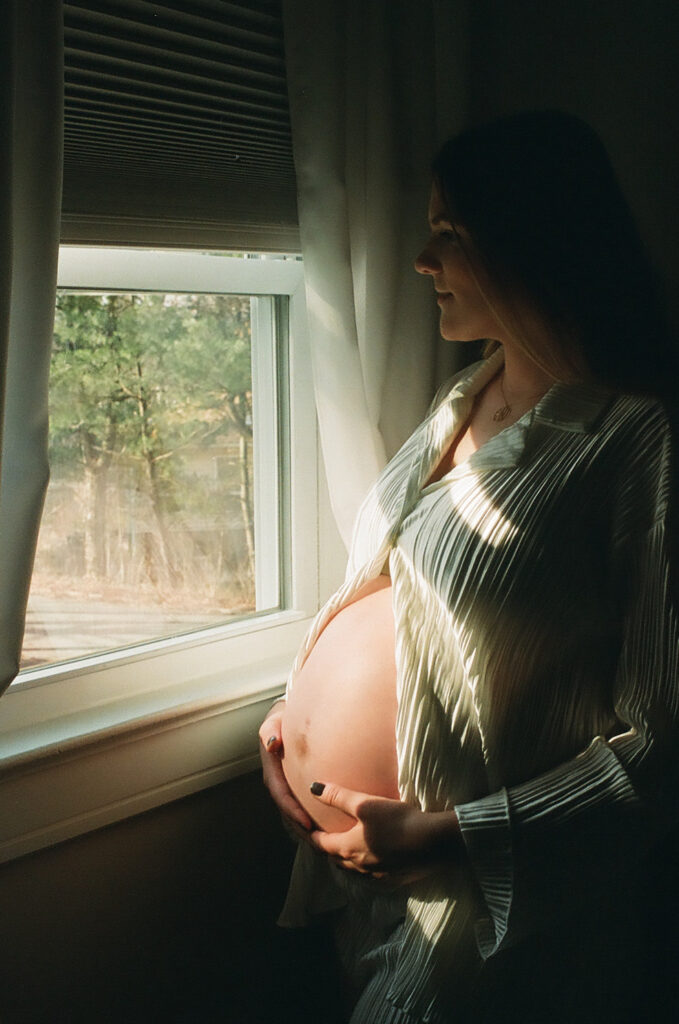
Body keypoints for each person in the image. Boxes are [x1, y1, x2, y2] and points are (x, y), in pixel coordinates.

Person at [259, 110, 679, 1023]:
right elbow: (398, 590)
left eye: (448, 233)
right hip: (365, 891)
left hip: (501, 918)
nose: (421, 259)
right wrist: (292, 724)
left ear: (535, 240)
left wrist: (455, 838)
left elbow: (662, 746)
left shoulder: (644, 439)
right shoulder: (467, 389)